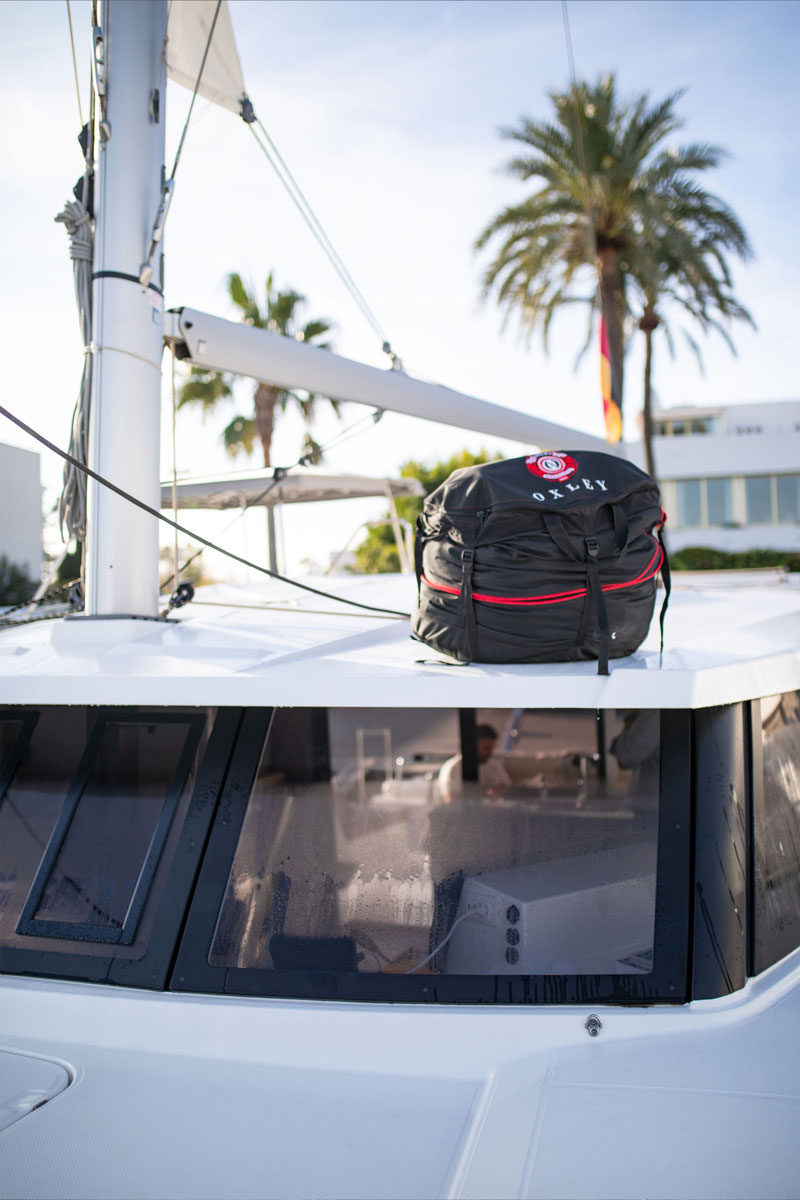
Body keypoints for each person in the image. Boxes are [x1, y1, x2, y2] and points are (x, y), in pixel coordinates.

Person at [438, 723, 511, 803]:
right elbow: (450, 799)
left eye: (492, 749)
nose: (491, 753)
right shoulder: (454, 768)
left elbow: (507, 788)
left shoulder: (493, 765)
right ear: (473, 744)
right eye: (487, 749)